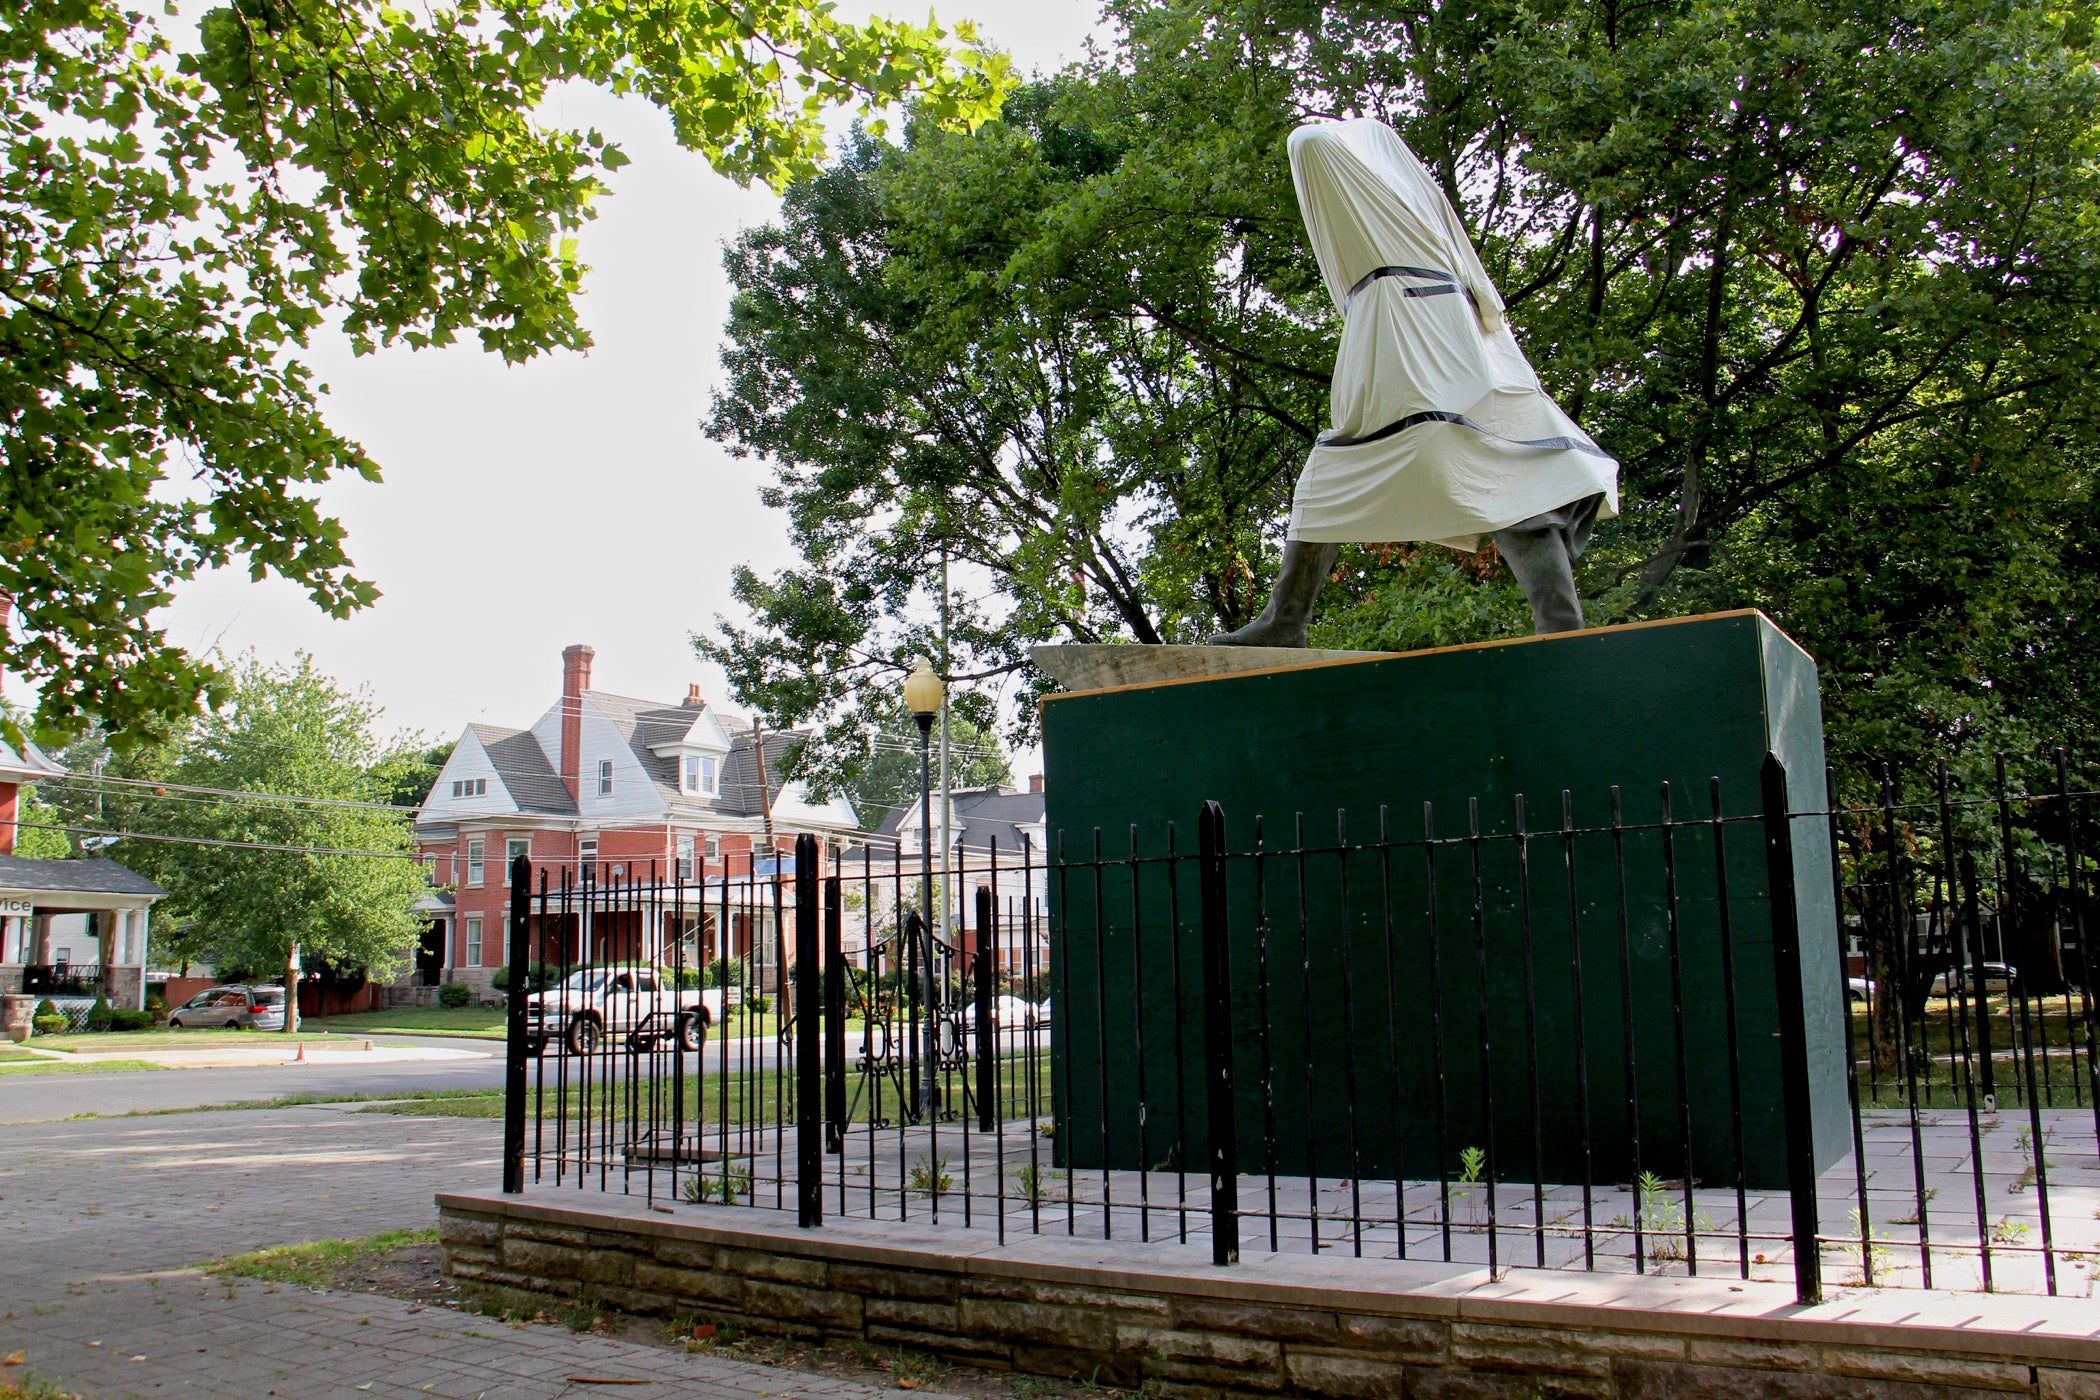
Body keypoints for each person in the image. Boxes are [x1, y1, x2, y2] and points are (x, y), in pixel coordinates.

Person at [1211, 119, 1619, 646]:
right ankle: (1285, 622)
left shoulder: (1401, 215)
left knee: (1496, 468)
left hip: (1429, 330)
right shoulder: (1373, 255)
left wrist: (1350, 129)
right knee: (1333, 478)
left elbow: (1308, 141)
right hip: (1381, 336)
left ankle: (1560, 624)